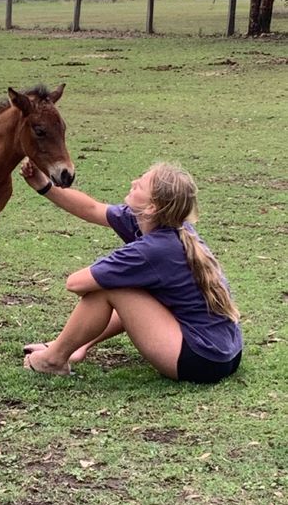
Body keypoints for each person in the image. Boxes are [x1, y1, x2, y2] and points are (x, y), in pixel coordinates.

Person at [20, 160, 242, 384]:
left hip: (202, 359)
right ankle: (73, 347)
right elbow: (92, 208)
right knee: (125, 283)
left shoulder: (154, 249)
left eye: (140, 186)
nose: (132, 182)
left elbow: (75, 283)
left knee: (110, 288)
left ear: (152, 207)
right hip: (223, 352)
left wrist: (110, 269)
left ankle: (53, 359)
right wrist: (44, 186)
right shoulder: (164, 224)